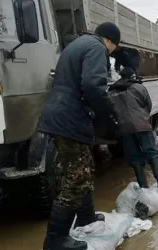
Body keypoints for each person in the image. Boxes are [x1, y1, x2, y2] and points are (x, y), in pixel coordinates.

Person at [37, 22, 121, 250]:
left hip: (61, 115)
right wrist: (109, 115)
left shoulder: (79, 43)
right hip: (69, 119)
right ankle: (56, 239)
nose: (112, 53)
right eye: (115, 48)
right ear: (111, 41)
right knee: (76, 179)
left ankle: (86, 217)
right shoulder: (97, 48)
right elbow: (94, 86)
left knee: (85, 168)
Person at [111, 67, 158, 188]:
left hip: (124, 128)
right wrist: (142, 118)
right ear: (132, 76)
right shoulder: (138, 87)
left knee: (134, 157)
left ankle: (143, 186)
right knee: (152, 152)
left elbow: (110, 109)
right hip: (141, 125)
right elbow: (148, 105)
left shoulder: (111, 90)